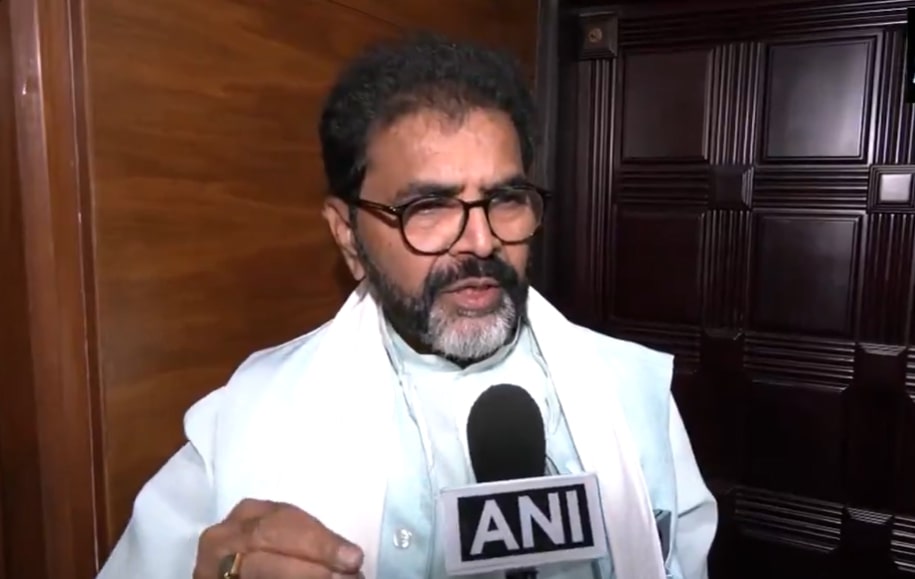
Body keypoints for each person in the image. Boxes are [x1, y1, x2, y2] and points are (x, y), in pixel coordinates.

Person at [96, 33, 717, 579]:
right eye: (429, 207)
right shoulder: (244, 423)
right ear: (348, 235)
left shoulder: (633, 395)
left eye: (505, 199)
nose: (481, 241)